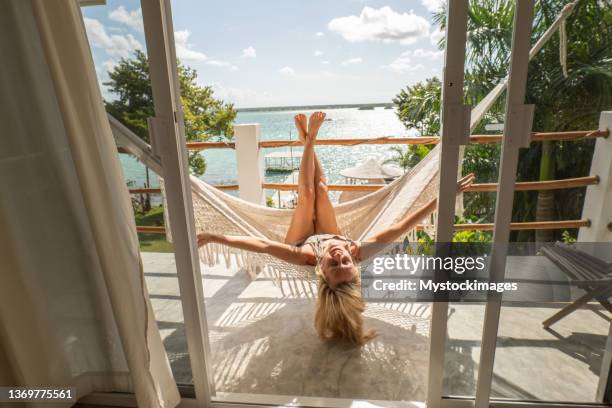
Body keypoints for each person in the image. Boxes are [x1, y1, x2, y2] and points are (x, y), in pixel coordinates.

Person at [198, 112, 474, 345]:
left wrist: (214, 235)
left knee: (307, 194)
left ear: (321, 270)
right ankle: (307, 140)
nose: (339, 254)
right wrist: (440, 199)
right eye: (346, 262)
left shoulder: (304, 258)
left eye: (334, 263)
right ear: (355, 263)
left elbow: (263, 246)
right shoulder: (356, 250)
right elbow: (402, 226)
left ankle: (308, 141)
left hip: (302, 238)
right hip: (329, 230)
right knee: (321, 188)